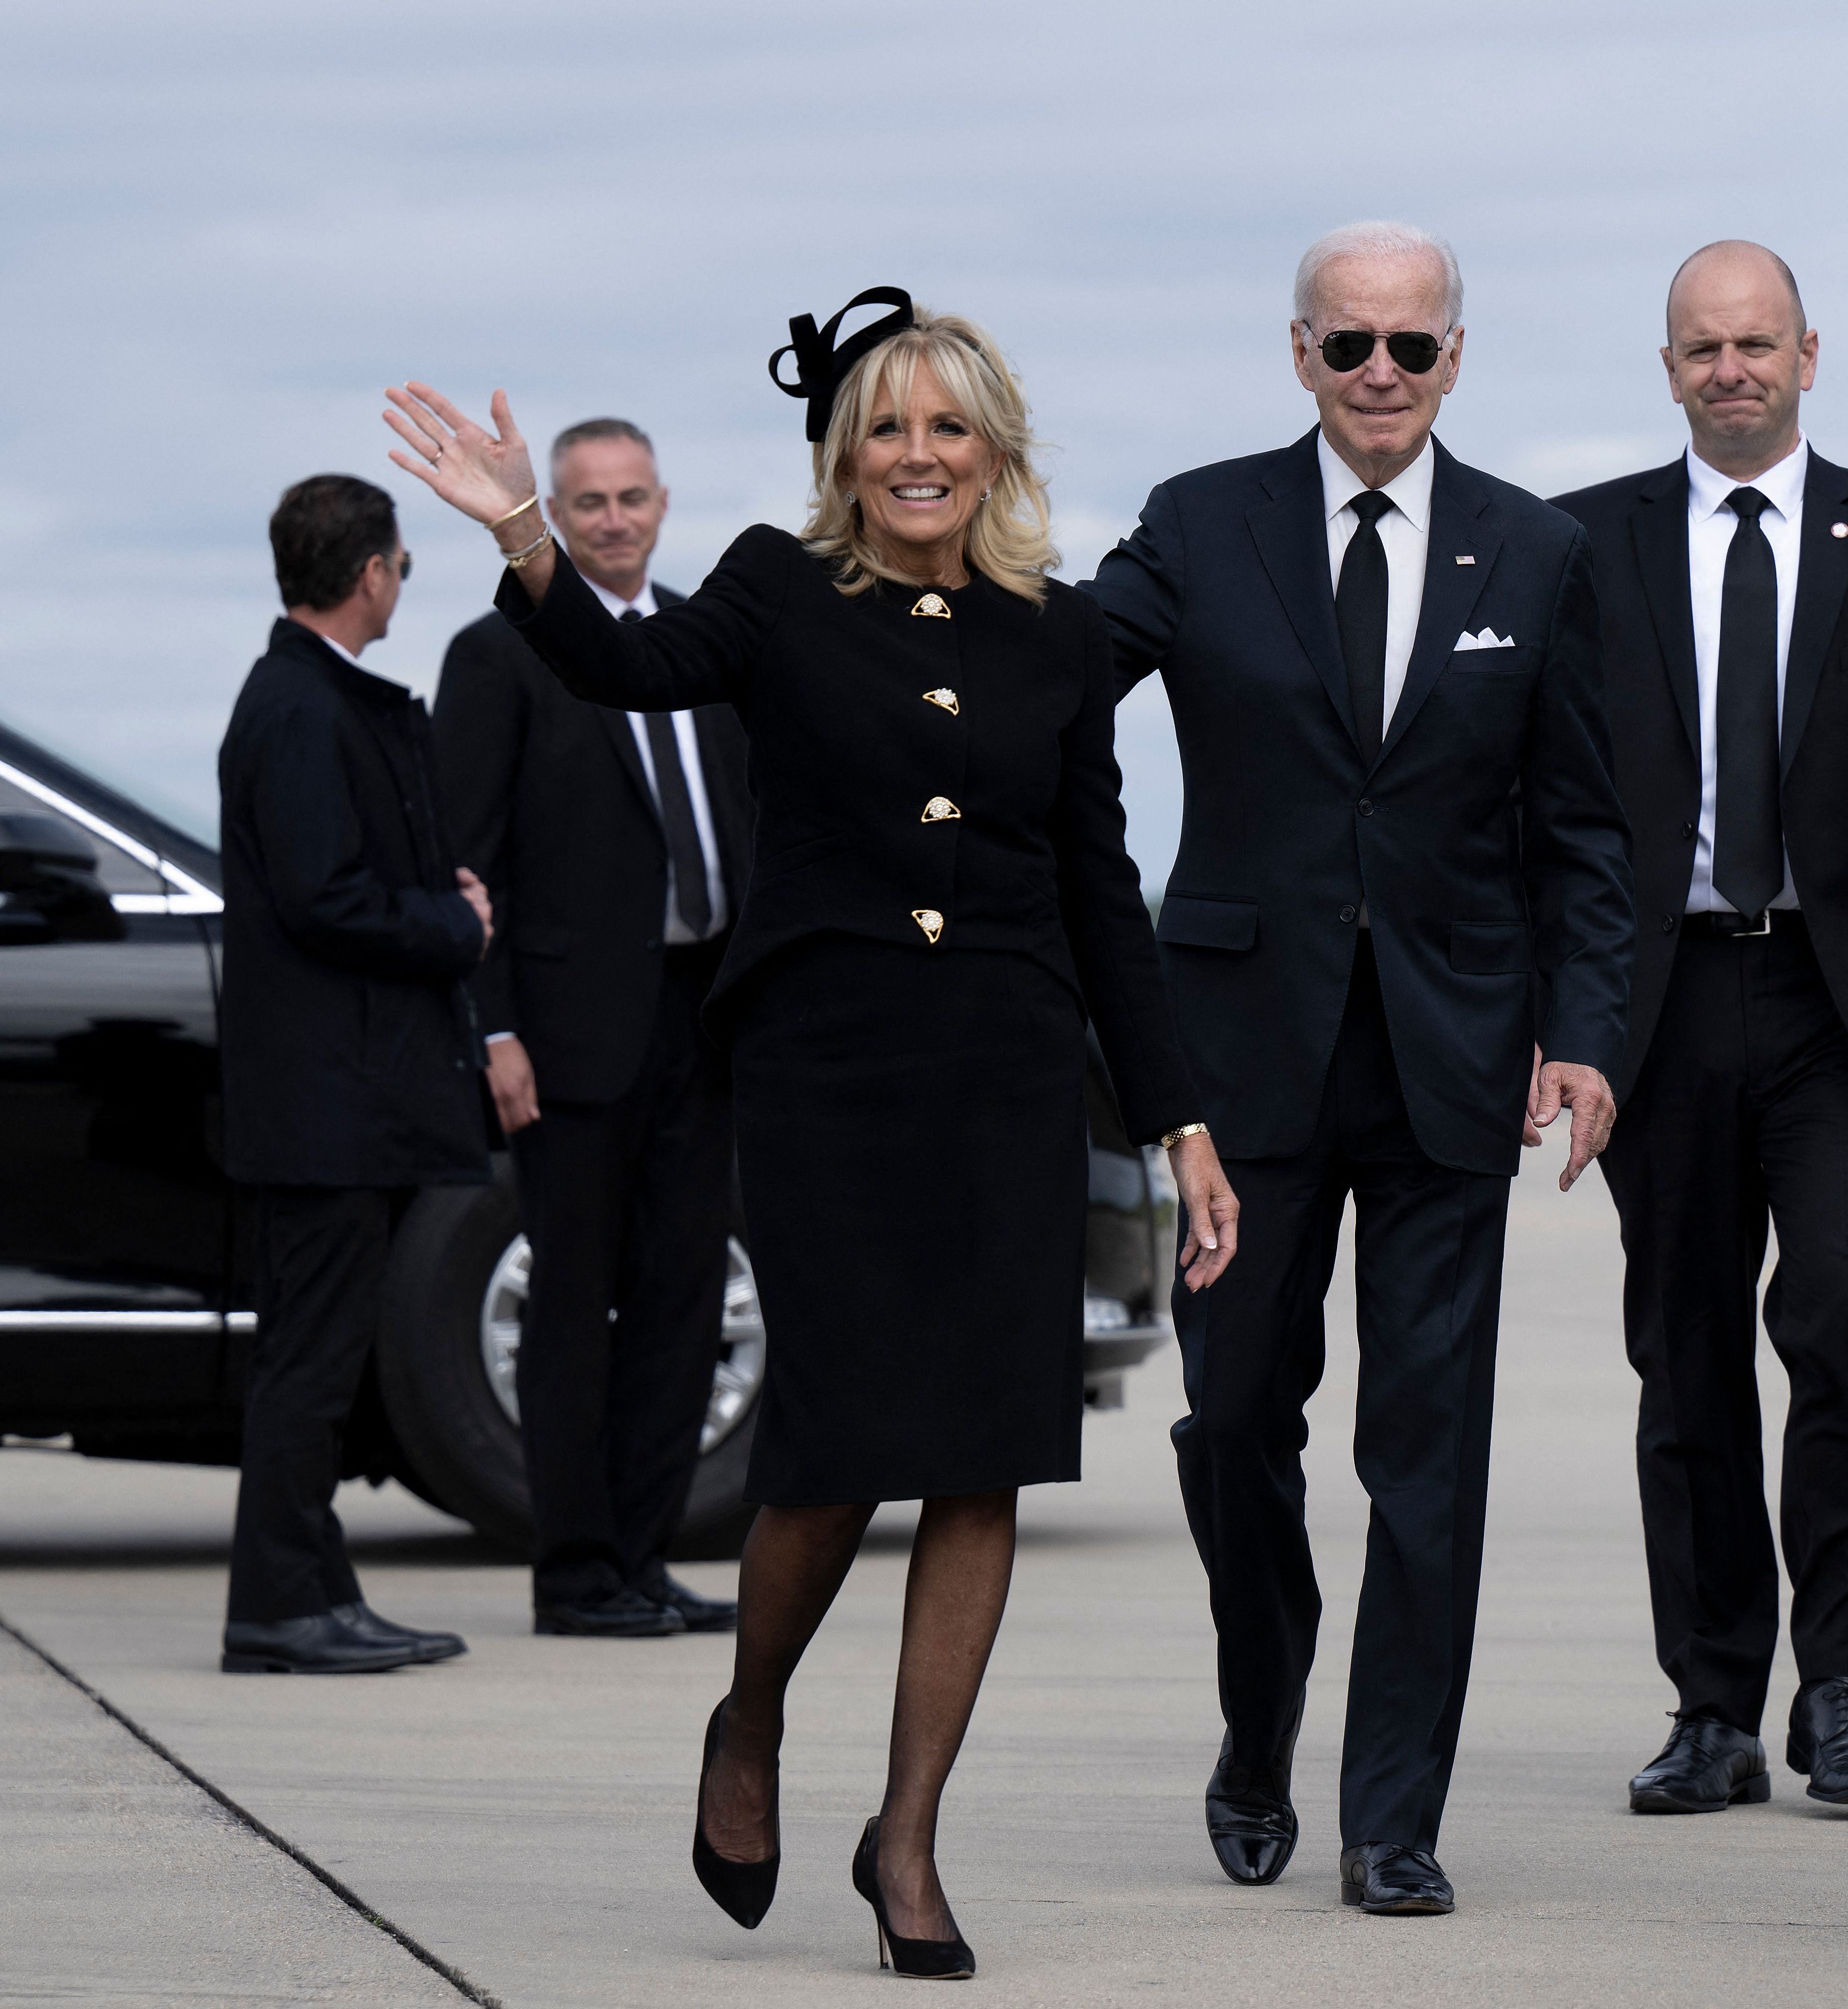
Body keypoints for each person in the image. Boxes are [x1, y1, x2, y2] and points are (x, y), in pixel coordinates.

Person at [384, 291, 1237, 1980]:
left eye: (946, 425)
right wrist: (526, 533)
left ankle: (909, 1838)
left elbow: (1099, 894)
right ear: (845, 454)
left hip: (1001, 1075)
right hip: (828, 1073)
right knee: (836, 1446)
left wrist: (1178, 1120)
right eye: (886, 428)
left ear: (994, 447)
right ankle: (751, 1721)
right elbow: (627, 668)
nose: (917, 455)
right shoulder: (778, 593)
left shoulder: (1062, 639)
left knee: (984, 1453)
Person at [1089, 220, 1635, 1916]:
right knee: (1235, 1421)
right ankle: (1261, 1724)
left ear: (1458, 357)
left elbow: (1588, 831)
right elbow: (1052, 694)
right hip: (1240, 1073)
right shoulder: (1199, 523)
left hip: (1449, 1067)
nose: (1382, 375)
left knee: (1427, 1452)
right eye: (1350, 347)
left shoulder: (1532, 553)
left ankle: (1393, 1811)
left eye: (1412, 347)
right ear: (1301, 353)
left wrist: (1589, 1034)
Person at [1549, 240, 1848, 1817]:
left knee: (1840, 1317)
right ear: (1668, 368)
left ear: (1808, 354)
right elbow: (1531, 790)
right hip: (1666, 998)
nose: (1730, 370)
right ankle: (1711, 1704)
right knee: (1681, 1351)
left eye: (1755, 343)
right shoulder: (1583, 543)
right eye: (1701, 348)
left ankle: (1840, 1688)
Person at [437, 416, 754, 1640]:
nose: (613, 520)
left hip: (702, 1023)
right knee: (573, 1305)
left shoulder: (704, 646)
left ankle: (641, 1556)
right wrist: (495, 1029)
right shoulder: (498, 655)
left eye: (631, 498)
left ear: (663, 503)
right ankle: (572, 1573)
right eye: (589, 503)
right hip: (568, 1036)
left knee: (687, 1298)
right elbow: (468, 862)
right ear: (556, 513)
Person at [216, 474, 487, 1677]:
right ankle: (279, 1605)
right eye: (401, 566)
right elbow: (327, 899)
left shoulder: (303, 697)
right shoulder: (302, 710)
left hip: (329, 1103)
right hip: (327, 1106)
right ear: (372, 571)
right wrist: (454, 922)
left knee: (317, 1352)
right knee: (310, 1360)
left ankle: (314, 1588)